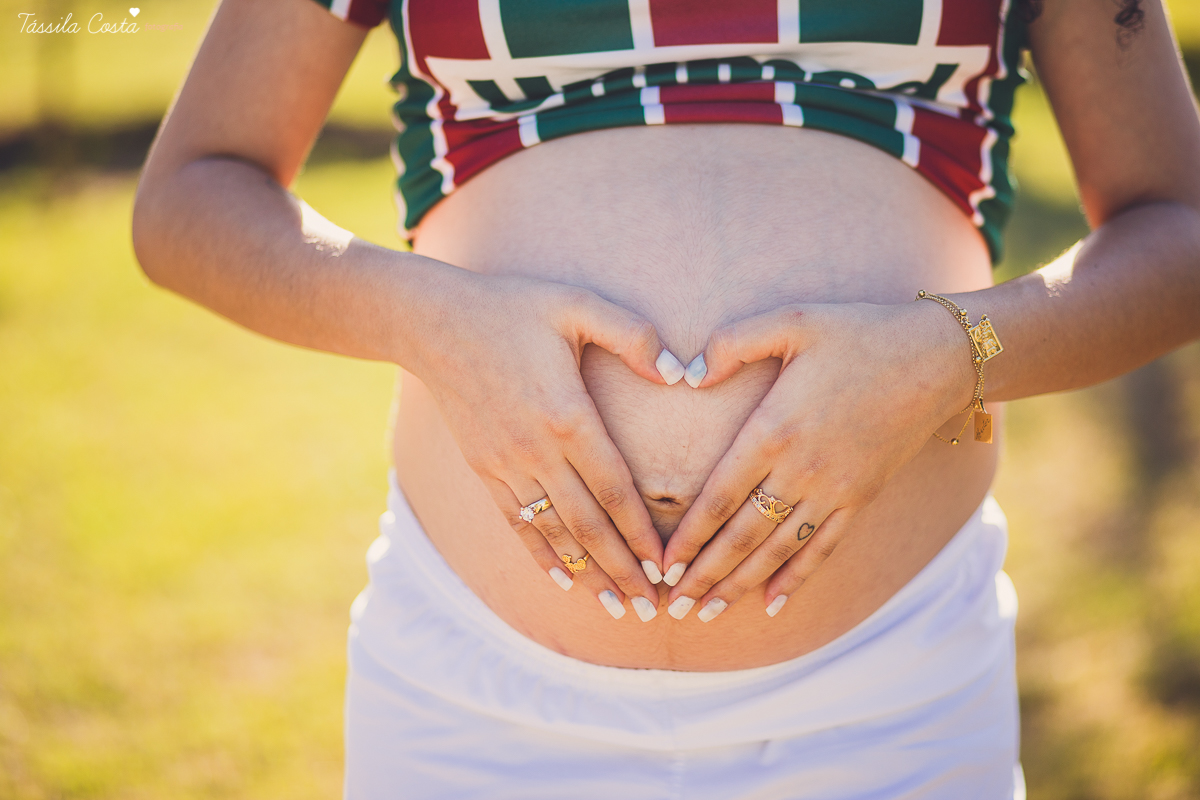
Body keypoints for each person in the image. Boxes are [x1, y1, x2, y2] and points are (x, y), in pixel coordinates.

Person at [131, 0, 1200, 796]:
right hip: (478, 701)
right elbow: (192, 194)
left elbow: (1179, 228)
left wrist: (952, 353)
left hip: (891, 698)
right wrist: (430, 319)